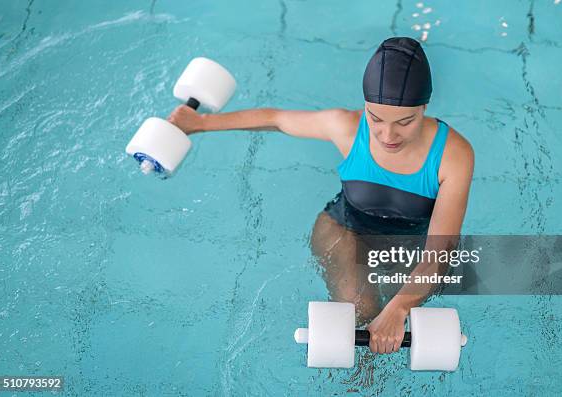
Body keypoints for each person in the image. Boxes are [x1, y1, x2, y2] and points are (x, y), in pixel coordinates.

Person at [168, 37, 474, 356]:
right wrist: (200, 123)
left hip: (409, 244)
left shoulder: (453, 155)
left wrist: (399, 308)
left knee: (411, 304)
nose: (387, 136)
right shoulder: (347, 127)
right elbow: (277, 119)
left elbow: (439, 251)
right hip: (344, 229)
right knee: (361, 310)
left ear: (424, 107)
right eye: (376, 118)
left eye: (405, 122)